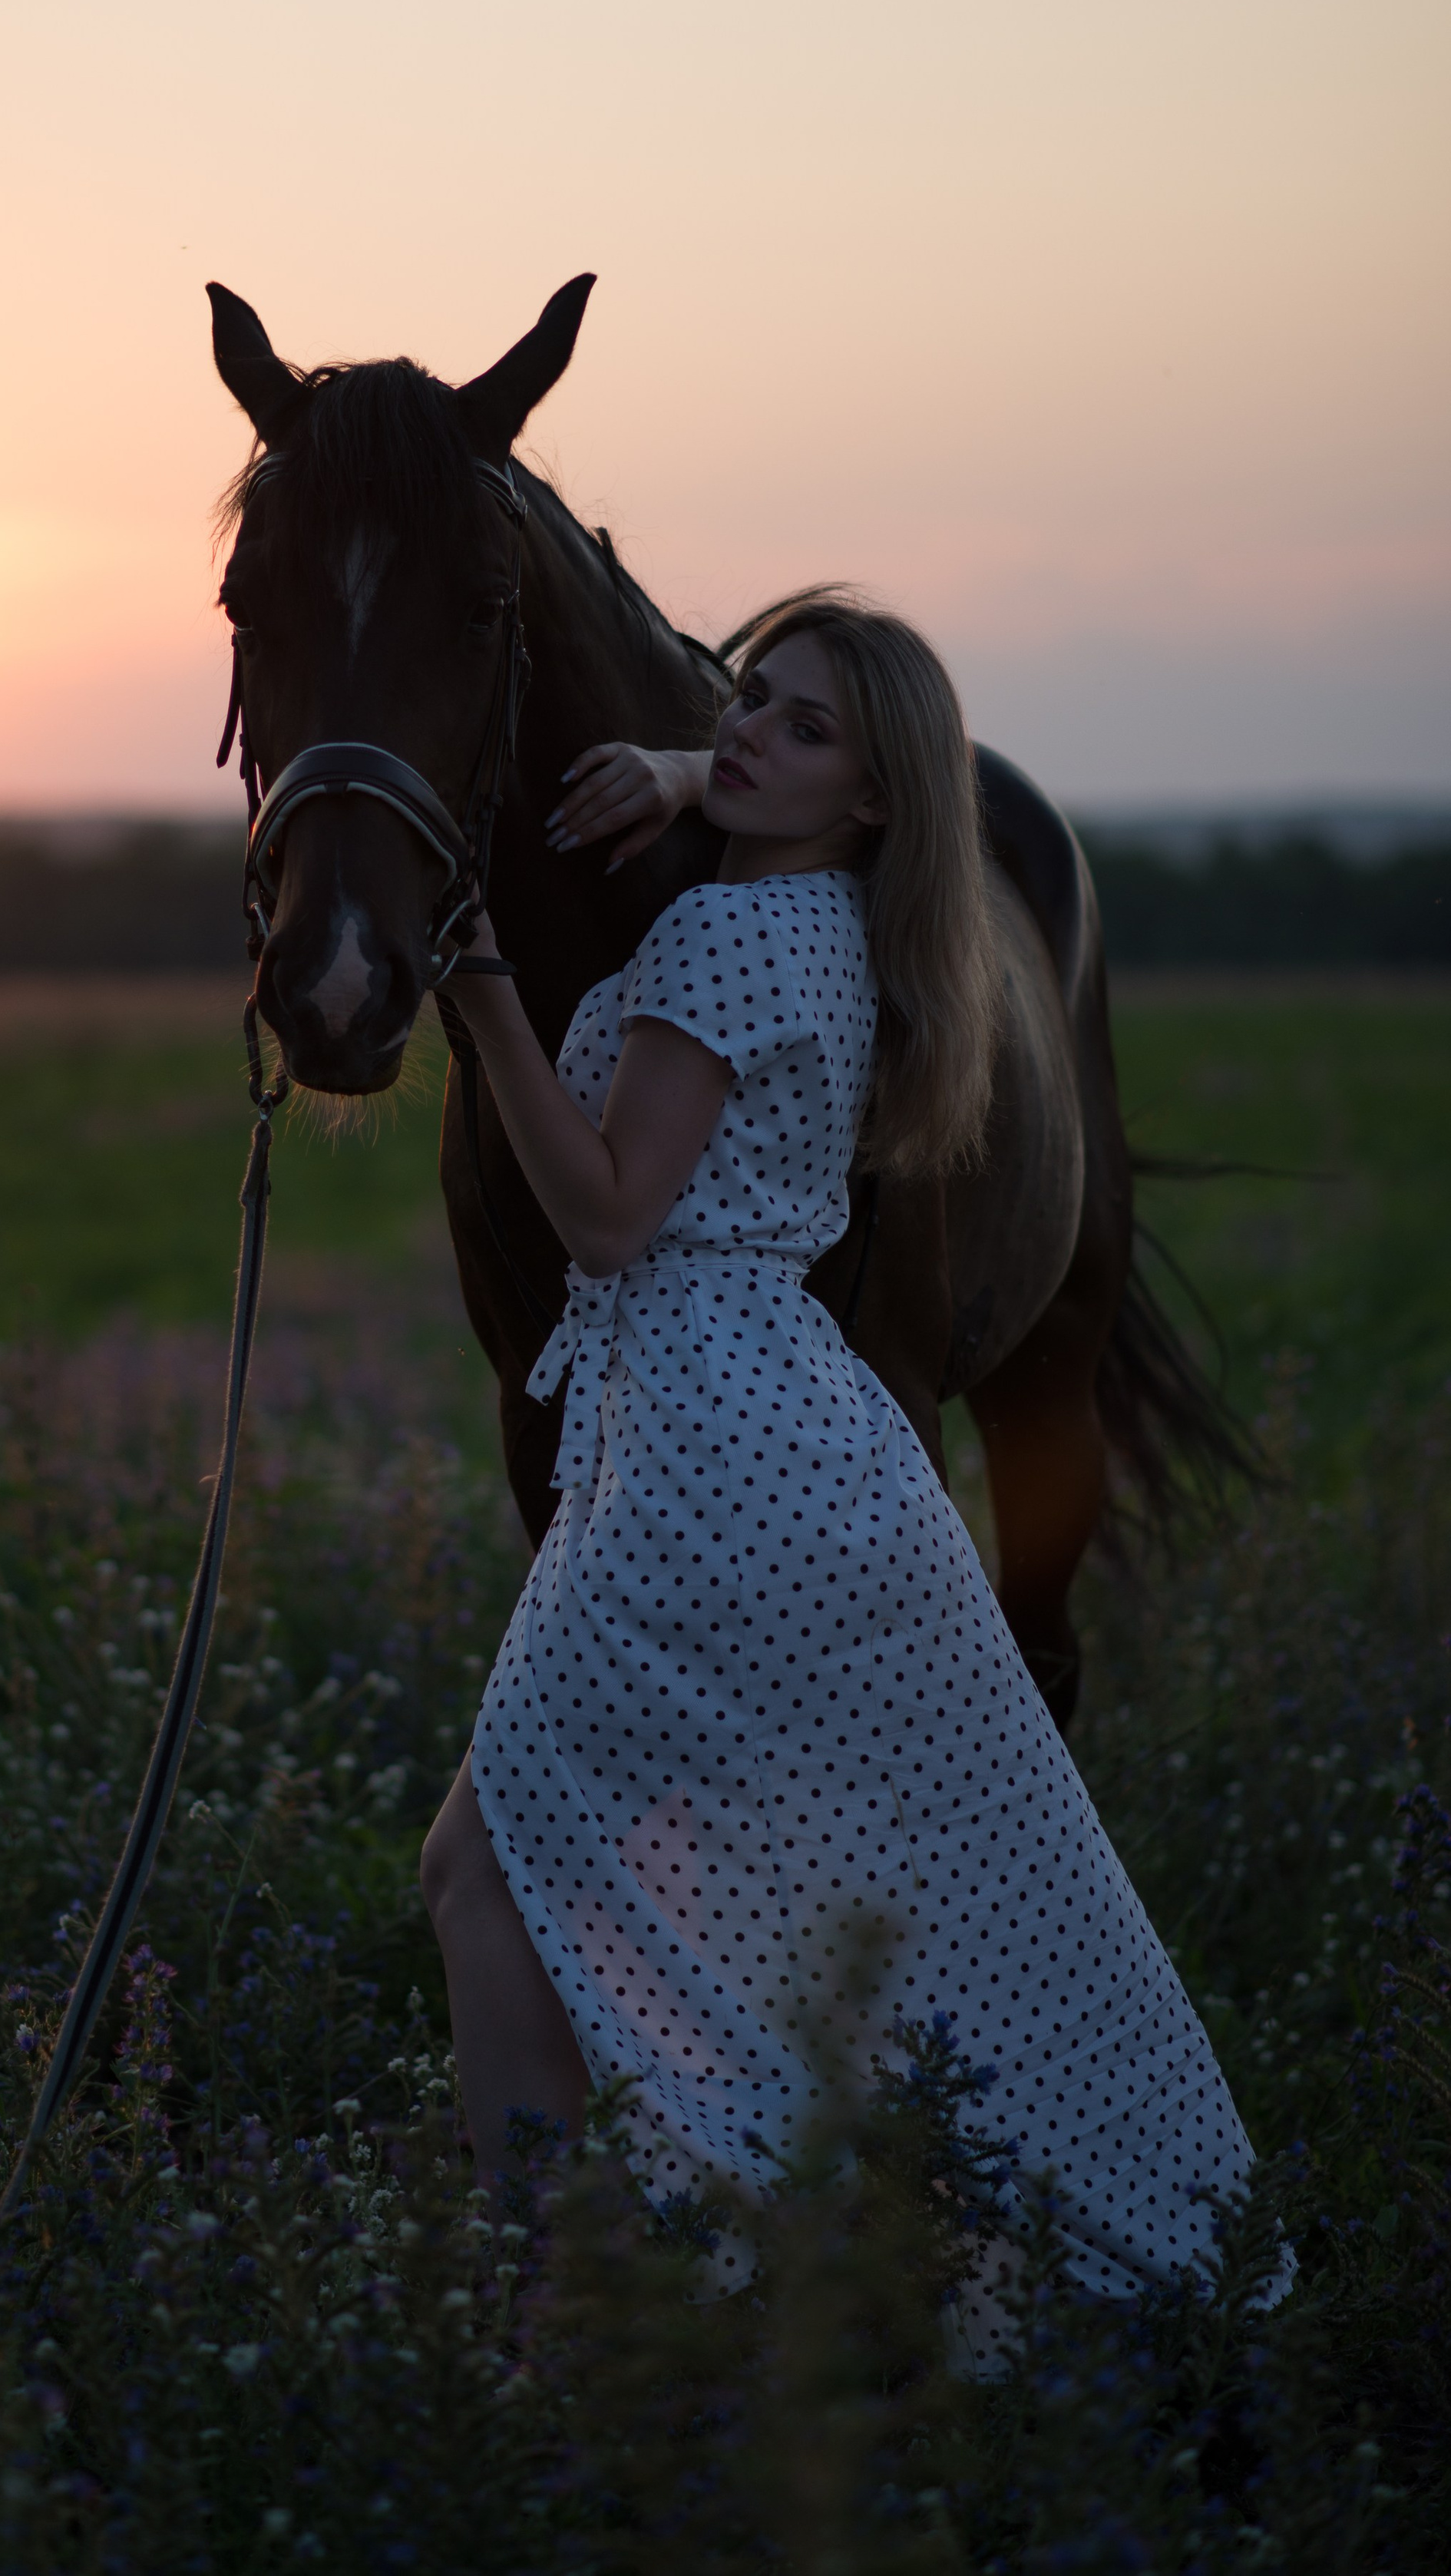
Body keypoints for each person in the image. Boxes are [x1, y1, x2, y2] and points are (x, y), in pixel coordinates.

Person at [420, 587, 1273, 2349]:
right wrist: (693, 762)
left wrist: (484, 985)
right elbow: (791, 791)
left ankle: (536, 2328)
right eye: (746, 697)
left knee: (481, 1871)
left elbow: (598, 1213)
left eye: (801, 726)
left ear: (872, 795)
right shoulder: (833, 927)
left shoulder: (729, 951)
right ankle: (742, 2253)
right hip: (797, 1439)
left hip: (706, 1452)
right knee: (857, 1883)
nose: (742, 731)